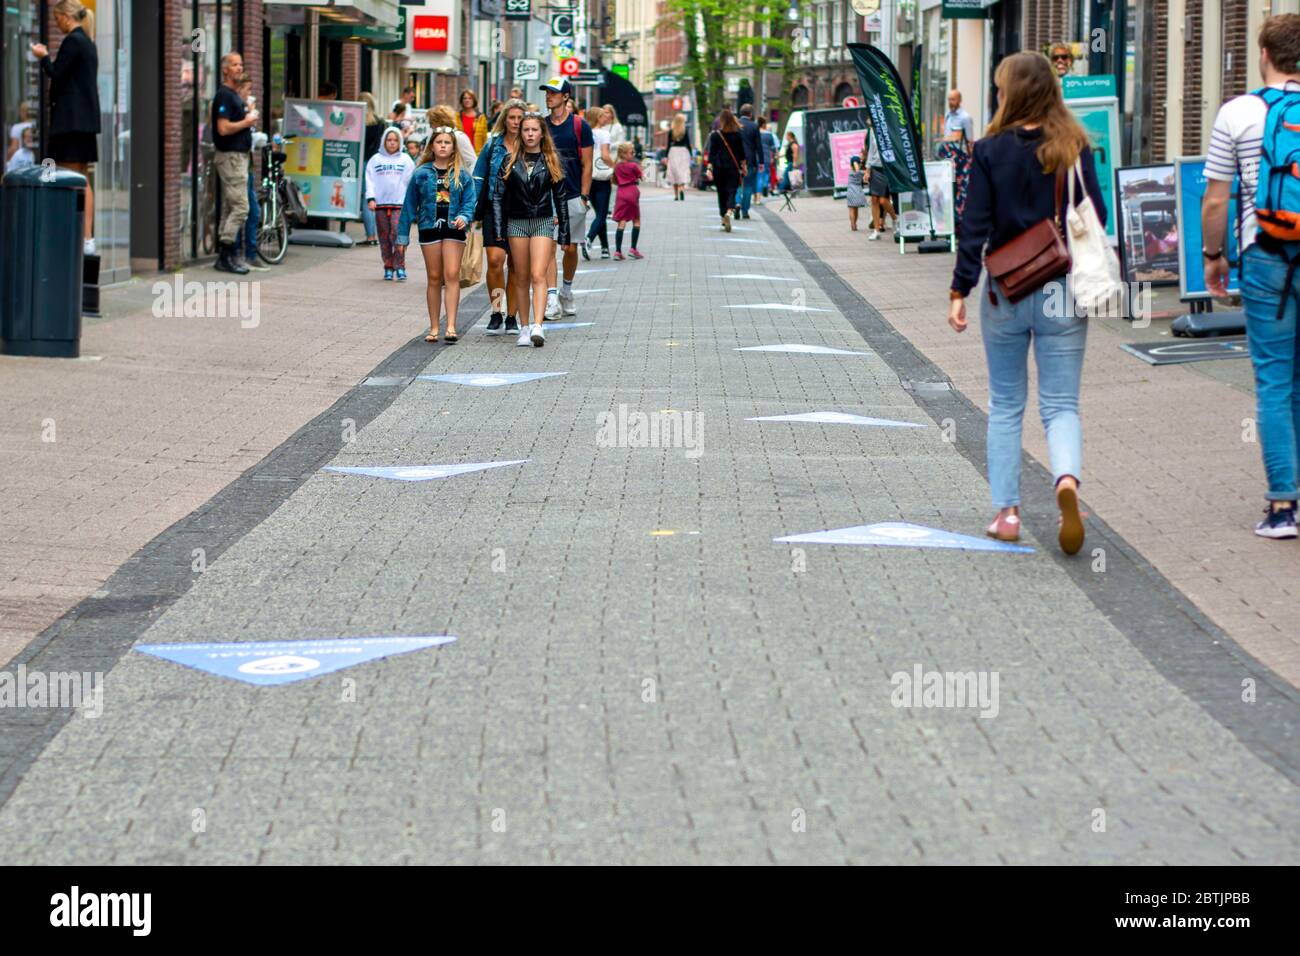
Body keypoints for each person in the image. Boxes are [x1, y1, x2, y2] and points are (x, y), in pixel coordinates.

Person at [947, 51, 1105, 555]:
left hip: (1007, 290)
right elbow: (1095, 214)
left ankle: (1008, 513)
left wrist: (959, 290)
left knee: (1006, 404)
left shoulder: (989, 149)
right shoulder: (1075, 146)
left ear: (1010, 93)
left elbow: (972, 226)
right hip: (1062, 286)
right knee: (1061, 405)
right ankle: (1065, 480)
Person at [1203, 13, 1300, 539]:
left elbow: (1216, 196)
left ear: (1264, 54)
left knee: (1273, 379)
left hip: (1263, 254)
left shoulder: (1237, 112)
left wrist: (1212, 255)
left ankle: (1283, 506)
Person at [493, 111, 570, 348]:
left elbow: (561, 198)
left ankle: (538, 325)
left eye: (534, 130)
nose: (529, 134)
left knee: (538, 274)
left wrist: (564, 232)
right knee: (521, 276)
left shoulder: (551, 160)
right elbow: (498, 196)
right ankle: (524, 327)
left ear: (541, 133)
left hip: (543, 220)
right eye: (526, 129)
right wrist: (498, 228)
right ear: (520, 132)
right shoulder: (509, 160)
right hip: (516, 222)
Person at [29, 0, 99, 254]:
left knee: (62, 175)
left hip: (70, 123)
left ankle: (70, 234)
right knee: (82, 178)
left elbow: (57, 74)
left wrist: (43, 56)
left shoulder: (73, 41)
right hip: (84, 124)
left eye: (57, 19)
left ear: (66, 17)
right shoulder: (88, 43)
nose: (56, 24)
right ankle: (87, 238)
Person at [397, 126, 477, 343]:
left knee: (451, 275)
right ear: (432, 145)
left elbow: (471, 200)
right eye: (439, 142)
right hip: (429, 227)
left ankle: (450, 325)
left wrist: (465, 216)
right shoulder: (421, 173)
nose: (443, 145)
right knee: (434, 277)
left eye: (447, 142)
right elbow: (408, 206)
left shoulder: (462, 174)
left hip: (454, 228)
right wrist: (402, 237)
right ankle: (434, 327)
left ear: (453, 147)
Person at [541, 77, 593, 319]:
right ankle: (551, 298)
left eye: (553, 92)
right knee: (549, 247)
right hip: (546, 196)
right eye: (547, 92)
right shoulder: (541, 126)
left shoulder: (580, 126)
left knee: (570, 249)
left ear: (565, 96)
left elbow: (587, 163)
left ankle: (567, 290)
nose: (549, 96)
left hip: (572, 195)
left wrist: (584, 196)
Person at [474, 98, 526, 334]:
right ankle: (496, 311)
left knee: (516, 264)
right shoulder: (492, 146)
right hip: (493, 208)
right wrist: (470, 208)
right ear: (504, 119)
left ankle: (512, 317)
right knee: (495, 260)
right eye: (512, 117)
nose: (515, 122)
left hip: (522, 210)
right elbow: (478, 177)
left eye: (519, 118)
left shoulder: (532, 145)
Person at [208, 51, 257, 274]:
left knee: (231, 206)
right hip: (230, 157)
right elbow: (223, 128)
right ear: (225, 69)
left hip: (239, 157)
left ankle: (226, 256)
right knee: (241, 207)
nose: (239, 68)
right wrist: (247, 121)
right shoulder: (225, 96)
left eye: (241, 64)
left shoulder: (234, 95)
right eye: (235, 65)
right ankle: (226, 253)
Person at [366, 126, 415, 281]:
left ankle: (400, 266)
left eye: (395, 140)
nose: (392, 143)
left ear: (400, 142)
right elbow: (370, 180)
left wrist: (411, 202)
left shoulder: (406, 160)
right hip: (380, 205)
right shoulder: (375, 160)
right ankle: (388, 266)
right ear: (384, 141)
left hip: (399, 205)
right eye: (389, 140)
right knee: (384, 237)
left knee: (397, 235)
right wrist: (371, 198)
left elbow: (411, 182)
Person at [234, 76, 268, 272]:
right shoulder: (239, 110)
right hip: (239, 166)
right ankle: (244, 254)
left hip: (247, 166)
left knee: (250, 210)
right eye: (247, 90)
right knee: (246, 210)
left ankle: (247, 253)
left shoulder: (246, 110)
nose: (249, 94)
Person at [937, 90, 975, 236]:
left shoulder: (965, 118)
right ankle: (950, 223)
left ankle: (960, 225)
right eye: (949, 99)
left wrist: (970, 160)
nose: (950, 102)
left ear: (959, 100)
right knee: (949, 190)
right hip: (948, 160)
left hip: (961, 160)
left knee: (961, 191)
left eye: (953, 99)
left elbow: (970, 141)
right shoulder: (948, 115)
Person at [582, 106, 615, 260]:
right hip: (601, 177)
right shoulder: (604, 133)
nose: (605, 118)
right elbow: (605, 155)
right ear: (597, 118)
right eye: (602, 116)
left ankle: (605, 248)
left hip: (587, 176)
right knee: (602, 214)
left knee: (599, 213)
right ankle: (589, 238)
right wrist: (616, 167)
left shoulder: (585, 132)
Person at [707, 109, 746, 232]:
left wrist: (709, 168)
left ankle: (723, 216)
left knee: (721, 192)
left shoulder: (715, 135)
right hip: (733, 168)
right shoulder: (738, 135)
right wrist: (744, 167)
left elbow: (711, 154)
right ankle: (729, 211)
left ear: (722, 121)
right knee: (731, 191)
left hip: (719, 168)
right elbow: (742, 154)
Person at [359, 92, 385, 245]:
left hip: (361, 162)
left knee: (365, 198)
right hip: (376, 162)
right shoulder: (380, 122)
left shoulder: (357, 122)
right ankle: (377, 234)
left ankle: (370, 235)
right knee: (373, 196)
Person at [611, 142, 644, 260]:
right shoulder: (633, 166)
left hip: (621, 193)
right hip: (632, 191)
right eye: (632, 152)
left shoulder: (617, 166)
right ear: (624, 154)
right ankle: (633, 249)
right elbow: (642, 177)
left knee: (622, 221)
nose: (633, 154)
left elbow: (614, 180)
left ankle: (618, 251)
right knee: (636, 220)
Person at [865, 129, 897, 240]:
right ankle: (876, 230)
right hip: (875, 167)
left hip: (888, 167)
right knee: (874, 199)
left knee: (883, 200)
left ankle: (895, 220)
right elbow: (871, 150)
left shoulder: (888, 123)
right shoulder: (872, 130)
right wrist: (867, 169)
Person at [429, 104, 477, 169]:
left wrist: (468, 178)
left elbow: (472, 161)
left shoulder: (459, 137)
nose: (430, 126)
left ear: (439, 121)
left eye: (431, 122)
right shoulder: (431, 136)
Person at [736, 103, 762, 219]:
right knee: (747, 186)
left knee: (737, 184)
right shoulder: (754, 126)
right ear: (750, 114)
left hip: (735, 160)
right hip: (750, 160)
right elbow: (758, 146)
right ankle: (745, 211)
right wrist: (761, 162)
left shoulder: (735, 125)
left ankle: (736, 203)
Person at [666, 113, 693, 201]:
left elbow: (668, 144)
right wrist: (691, 154)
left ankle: (676, 195)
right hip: (683, 152)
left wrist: (666, 155)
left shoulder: (671, 131)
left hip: (673, 151)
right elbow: (688, 144)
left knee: (674, 172)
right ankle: (681, 188)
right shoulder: (684, 131)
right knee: (682, 171)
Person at [845, 155, 867, 230]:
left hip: (850, 192)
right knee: (856, 209)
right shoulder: (861, 173)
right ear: (859, 164)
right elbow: (859, 171)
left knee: (851, 209)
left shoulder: (850, 173)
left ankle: (852, 224)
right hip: (858, 192)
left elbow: (855, 169)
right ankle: (855, 223)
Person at [758, 117, 778, 197]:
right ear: (763, 124)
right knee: (766, 173)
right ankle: (765, 185)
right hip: (766, 156)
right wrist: (773, 157)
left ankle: (758, 193)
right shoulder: (769, 135)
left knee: (759, 175)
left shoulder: (756, 133)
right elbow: (773, 148)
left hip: (757, 157)